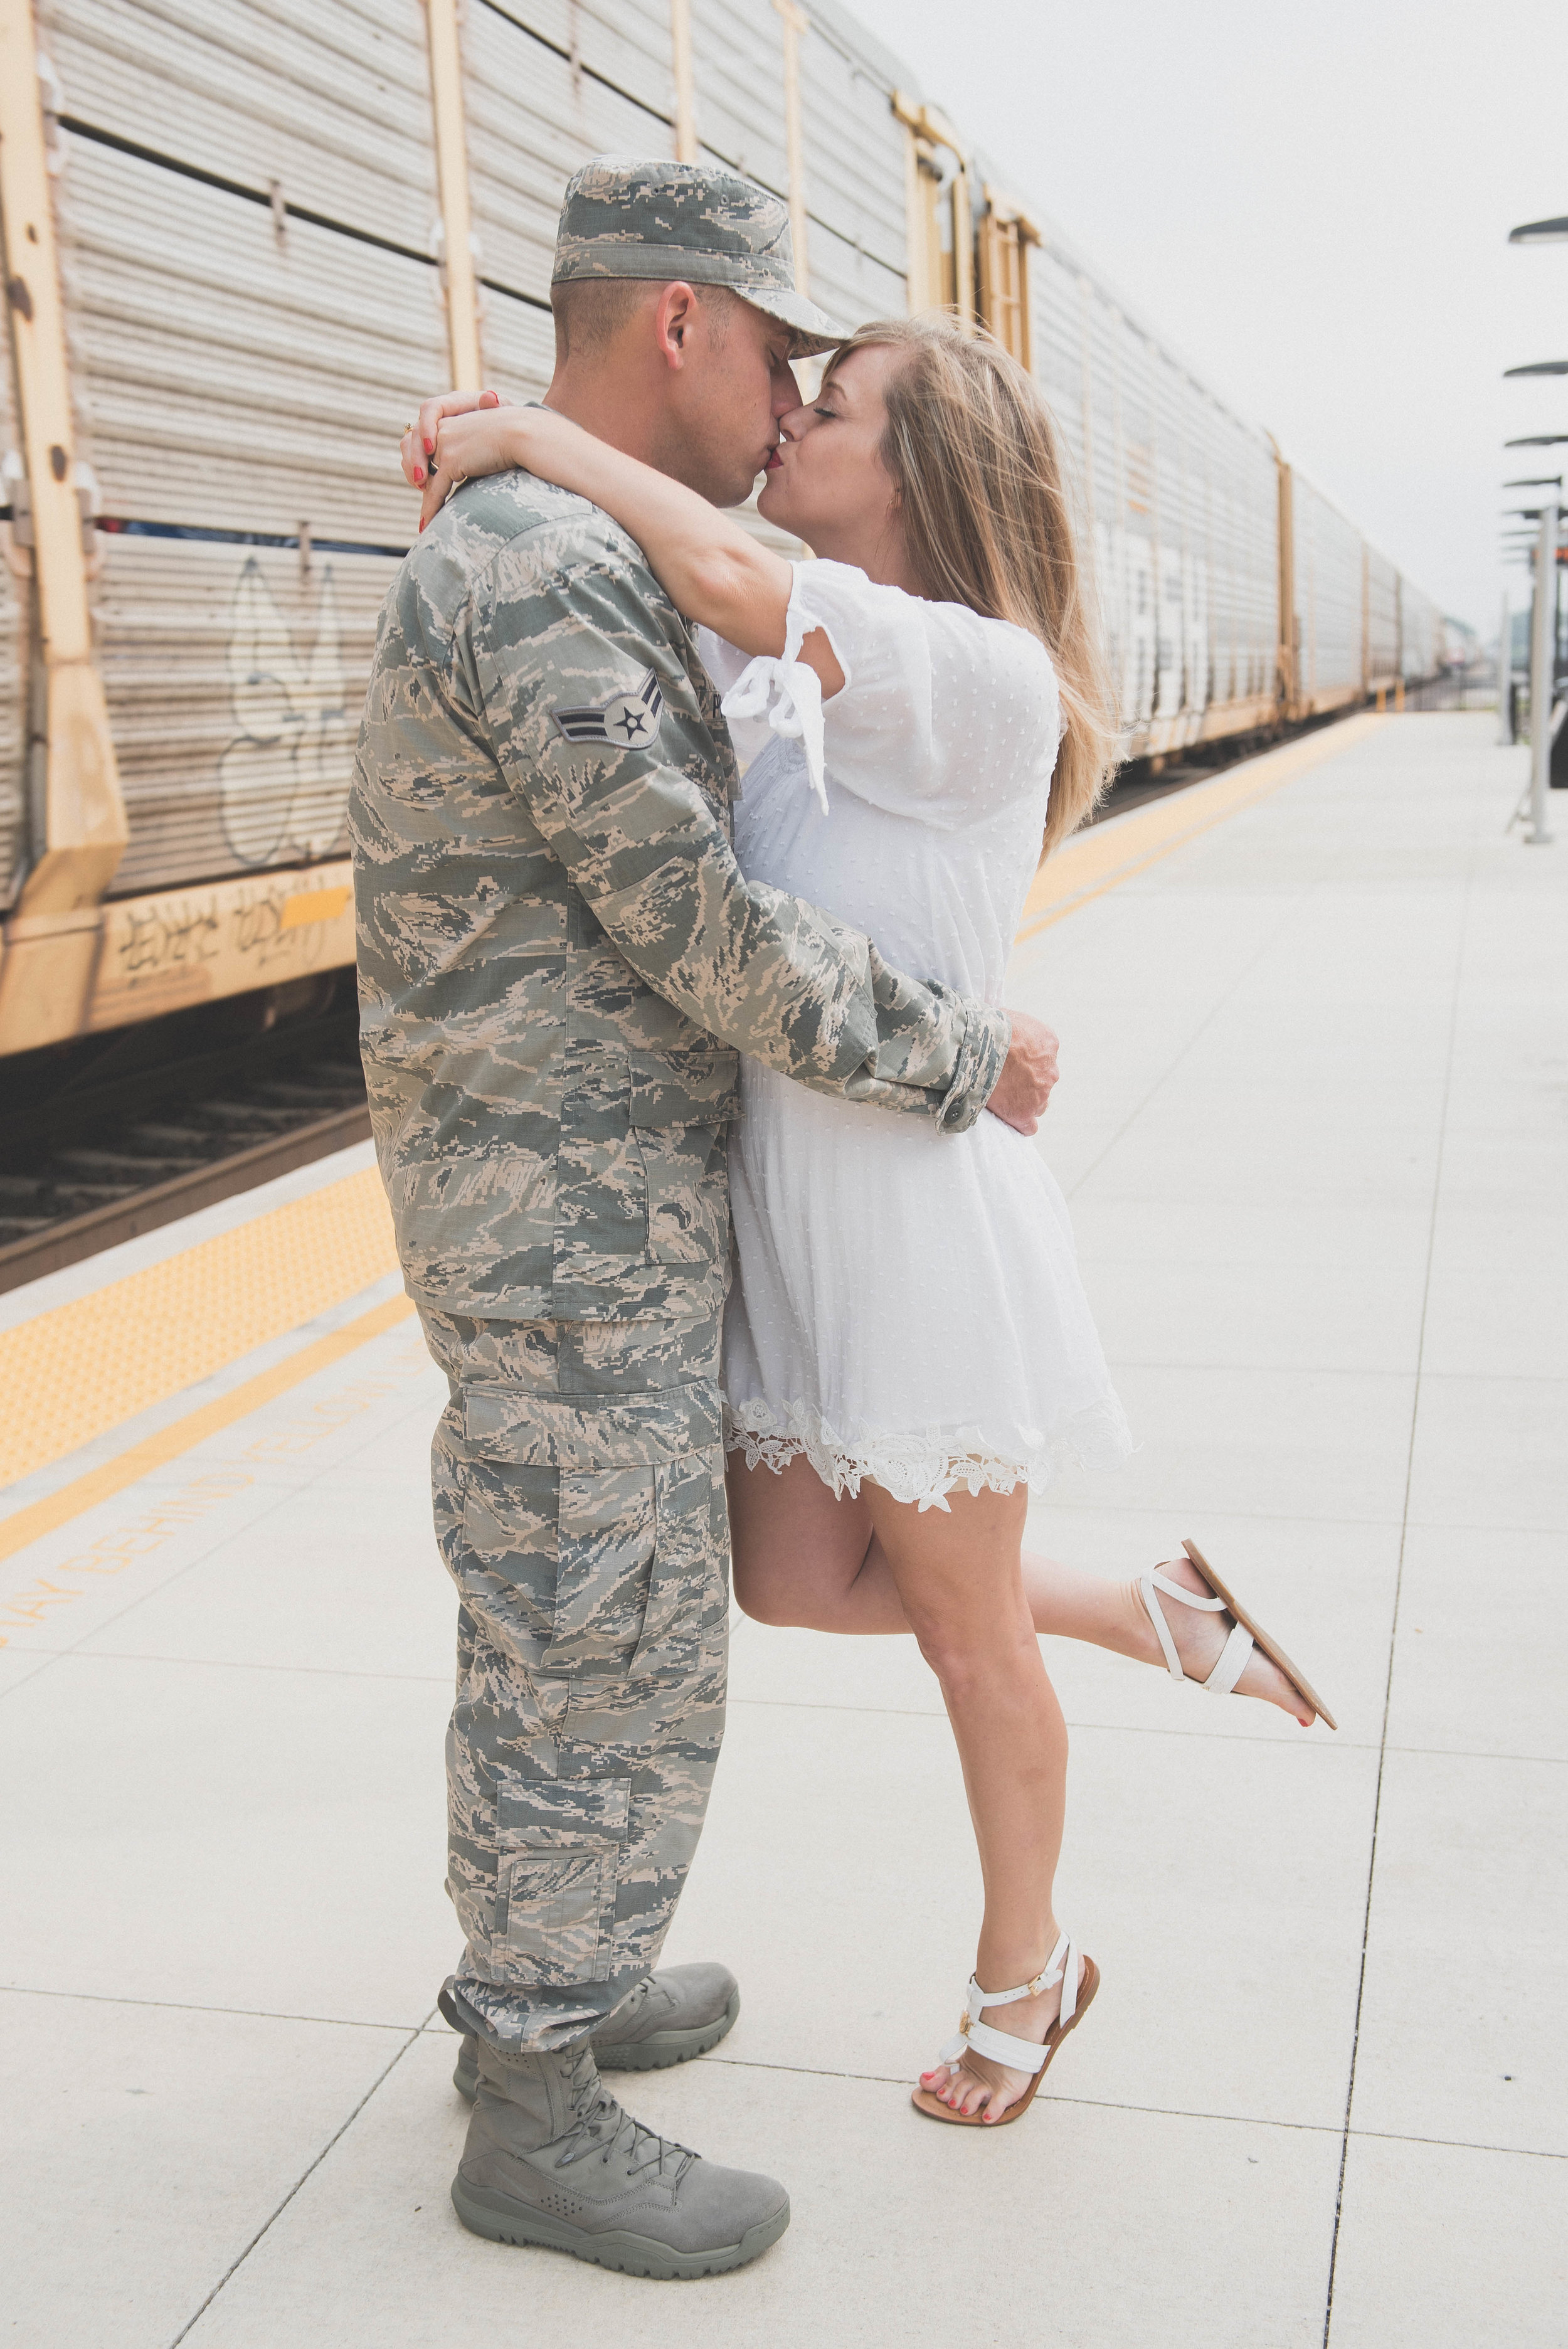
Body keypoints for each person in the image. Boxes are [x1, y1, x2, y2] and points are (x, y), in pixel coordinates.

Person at [403, 305, 1338, 2141]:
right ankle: (1152, 1602)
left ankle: (1026, 1973)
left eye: (829, 407)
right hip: (796, 1215)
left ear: (920, 471)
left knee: (963, 1644)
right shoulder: (795, 676)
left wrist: (521, 434)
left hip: (915, 1224)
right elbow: (672, 612)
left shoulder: (971, 673)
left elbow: (728, 569)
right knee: (790, 1578)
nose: (789, 426)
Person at [350, 156, 1060, 2281]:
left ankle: (567, 1962)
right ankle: (536, 2082)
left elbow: (769, 643)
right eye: (771, 351)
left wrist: (523, 426)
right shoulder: (545, 568)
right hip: (557, 1214)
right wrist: (965, 1051)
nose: (778, 405)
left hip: (590, 1192)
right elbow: (696, 924)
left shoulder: (584, 541)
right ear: (678, 321)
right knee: (596, 1633)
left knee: (621, 1616)